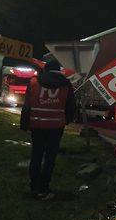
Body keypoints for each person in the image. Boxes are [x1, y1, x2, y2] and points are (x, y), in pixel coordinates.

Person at [21, 60, 75, 200]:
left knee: (36, 155)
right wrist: (66, 120)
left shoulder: (34, 82)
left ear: (46, 69)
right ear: (59, 70)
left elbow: (27, 105)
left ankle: (34, 187)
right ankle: (44, 188)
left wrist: (25, 124)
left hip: (37, 125)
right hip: (56, 126)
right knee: (50, 157)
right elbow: (70, 107)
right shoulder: (66, 84)